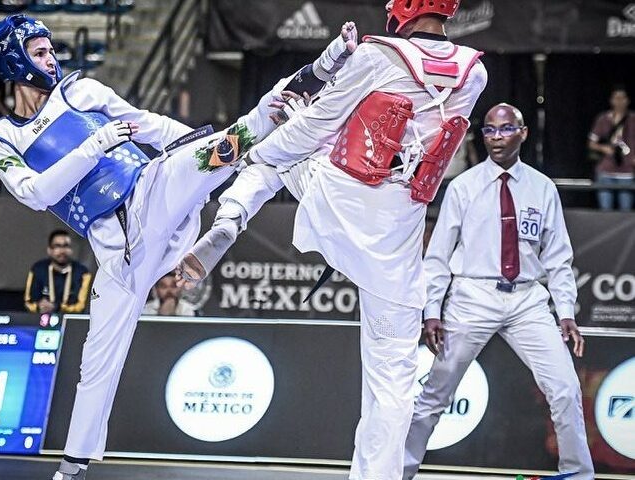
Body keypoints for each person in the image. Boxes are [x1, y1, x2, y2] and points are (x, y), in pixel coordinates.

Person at [0, 14, 358, 480]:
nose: (51, 59)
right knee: (99, 358)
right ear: (14, 61)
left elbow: (149, 125)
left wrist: (196, 145)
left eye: (51, 50)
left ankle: (320, 69)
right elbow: (36, 194)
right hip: (118, 253)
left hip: (149, 194)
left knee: (237, 137)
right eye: (39, 52)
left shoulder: (82, 92)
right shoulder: (1, 137)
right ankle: (71, 468)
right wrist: (94, 145)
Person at [179, 2, 487, 479]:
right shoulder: (475, 73)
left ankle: (230, 218)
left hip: (342, 194)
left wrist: (256, 152)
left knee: (280, 136)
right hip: (401, 225)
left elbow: (314, 127)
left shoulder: (380, 55)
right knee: (394, 376)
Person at [403, 103, 594, 479]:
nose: (496, 138)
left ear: (523, 133)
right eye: (489, 130)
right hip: (473, 296)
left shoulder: (542, 188)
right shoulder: (463, 187)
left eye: (505, 129)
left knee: (566, 389)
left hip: (527, 300)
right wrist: (432, 312)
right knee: (433, 397)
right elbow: (437, 257)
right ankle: (397, 472)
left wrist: (566, 313)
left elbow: (558, 259)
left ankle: (578, 475)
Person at [587, 85, 634, 211]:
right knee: (605, 211)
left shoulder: (633, 120)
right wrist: (603, 148)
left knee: (626, 212)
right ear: (611, 100)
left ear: (627, 100)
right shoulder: (603, 119)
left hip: (627, 172)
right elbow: (591, 142)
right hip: (606, 170)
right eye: (616, 98)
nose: (619, 101)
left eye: (622, 98)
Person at [25, 229, 92, 314]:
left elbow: (81, 306)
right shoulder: (37, 269)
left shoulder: (83, 273)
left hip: (71, 322)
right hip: (40, 320)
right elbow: (28, 303)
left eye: (66, 246)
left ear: (71, 249)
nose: (62, 251)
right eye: (57, 246)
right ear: (49, 250)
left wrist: (56, 307)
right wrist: (39, 306)